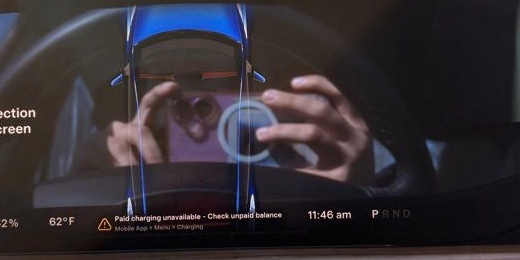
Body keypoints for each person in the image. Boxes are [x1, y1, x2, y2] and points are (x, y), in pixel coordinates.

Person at [101, 74, 374, 184]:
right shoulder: (126, 165)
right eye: (179, 107)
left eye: (225, 93)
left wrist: (356, 189)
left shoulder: (315, 153)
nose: (198, 130)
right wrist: (115, 187)